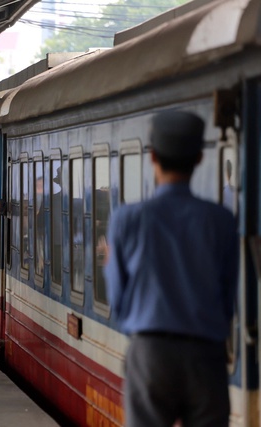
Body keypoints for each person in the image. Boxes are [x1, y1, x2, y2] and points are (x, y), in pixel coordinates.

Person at [104, 111, 238, 427]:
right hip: (205, 354)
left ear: (152, 157)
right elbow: (228, 295)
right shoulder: (221, 221)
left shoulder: (127, 219)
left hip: (150, 352)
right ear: (199, 158)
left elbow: (118, 300)